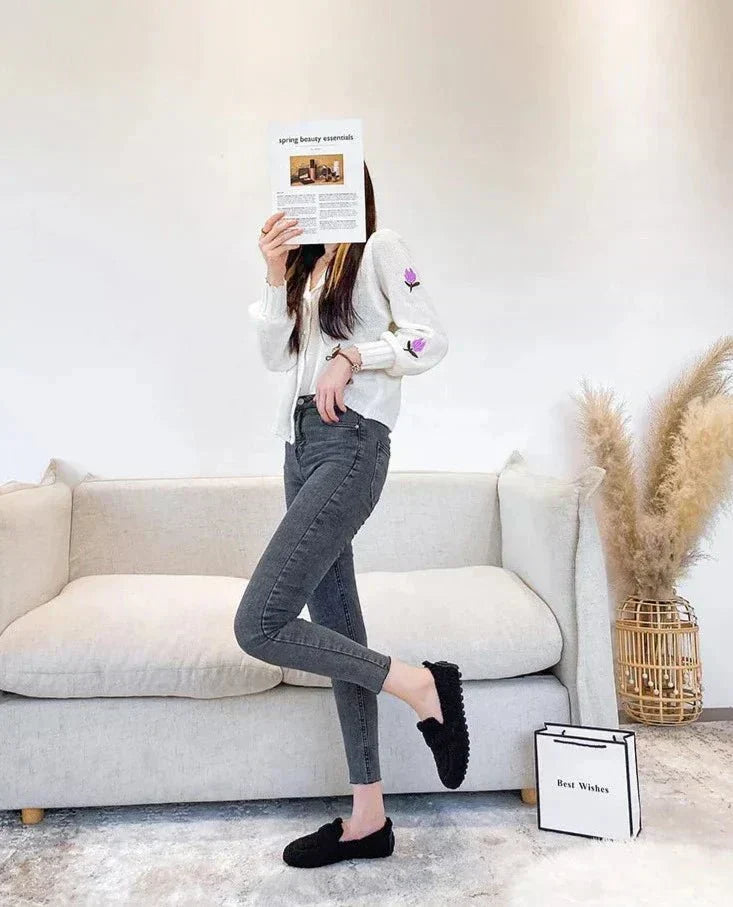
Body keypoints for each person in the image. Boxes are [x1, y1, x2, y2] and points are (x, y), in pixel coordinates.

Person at [233, 162, 470, 869]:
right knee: (337, 628)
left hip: (352, 438)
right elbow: (274, 357)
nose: (312, 194)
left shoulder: (379, 247)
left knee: (259, 623)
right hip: (299, 444)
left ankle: (421, 684)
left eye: (325, 180)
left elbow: (430, 339)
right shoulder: (304, 268)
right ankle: (368, 820)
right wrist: (274, 274)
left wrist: (352, 356)